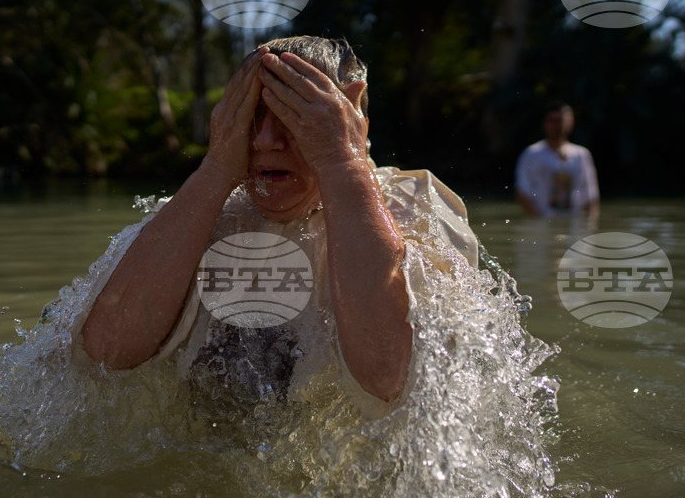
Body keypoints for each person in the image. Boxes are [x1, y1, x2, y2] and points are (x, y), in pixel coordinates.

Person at [76, 36, 478, 416]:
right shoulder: (201, 209)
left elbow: (391, 378)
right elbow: (106, 354)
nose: (267, 139)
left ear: (353, 119)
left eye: (293, 114)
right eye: (252, 115)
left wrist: (341, 162)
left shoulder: (412, 203)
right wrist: (216, 168)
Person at [514, 101, 599, 219]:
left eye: (561, 120)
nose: (557, 126)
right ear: (544, 123)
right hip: (542, 222)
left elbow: (591, 196)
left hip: (574, 223)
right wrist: (539, 220)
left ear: (570, 122)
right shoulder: (531, 154)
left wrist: (590, 224)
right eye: (552, 121)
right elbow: (521, 192)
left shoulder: (581, 155)